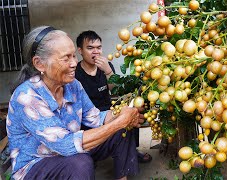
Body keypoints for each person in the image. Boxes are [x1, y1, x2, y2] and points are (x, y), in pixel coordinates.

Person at [7, 26, 144, 180]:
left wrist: (126, 112)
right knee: (80, 163)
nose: (73, 63)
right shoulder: (27, 97)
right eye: (66, 58)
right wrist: (119, 122)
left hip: (70, 153)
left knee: (122, 132)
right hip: (37, 165)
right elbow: (65, 144)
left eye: (73, 56)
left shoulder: (73, 86)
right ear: (39, 64)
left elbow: (95, 118)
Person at [75, 30, 152, 163]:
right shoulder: (76, 72)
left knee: (131, 110)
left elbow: (115, 90)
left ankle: (132, 149)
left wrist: (108, 71)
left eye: (98, 48)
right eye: (90, 48)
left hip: (107, 109)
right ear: (80, 50)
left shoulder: (106, 66)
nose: (96, 52)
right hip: (87, 115)